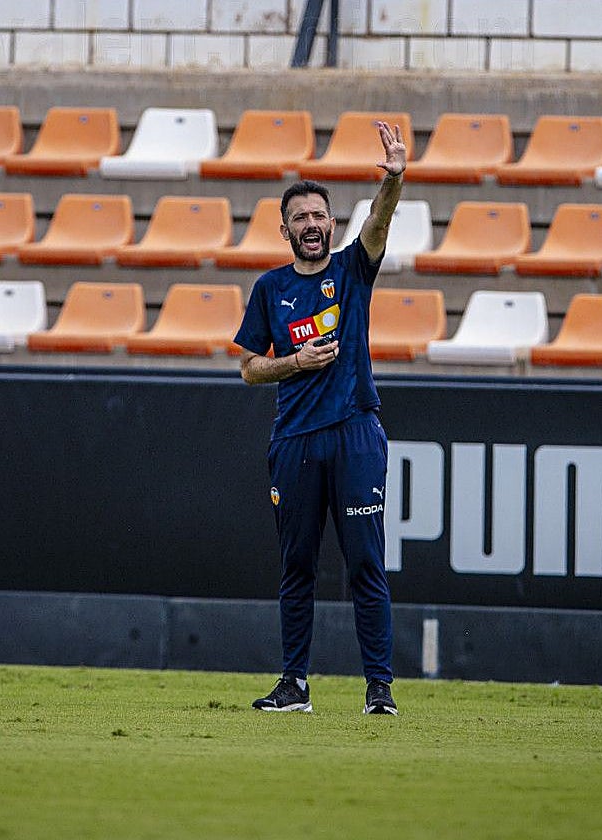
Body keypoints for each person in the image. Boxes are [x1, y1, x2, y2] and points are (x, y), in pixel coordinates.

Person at [233, 121, 406, 715]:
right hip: (295, 440)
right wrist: (294, 362)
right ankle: (294, 686)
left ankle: (378, 689)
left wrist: (394, 179)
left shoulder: (352, 271)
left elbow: (380, 223)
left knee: (365, 562)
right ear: (284, 230)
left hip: (356, 432)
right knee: (297, 566)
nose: (312, 225)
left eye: (320, 216)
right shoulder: (269, 288)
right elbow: (250, 369)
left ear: (332, 224)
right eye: (300, 217)